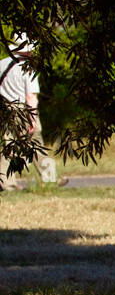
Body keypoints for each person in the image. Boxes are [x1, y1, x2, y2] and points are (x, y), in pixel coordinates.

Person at [0, 32, 62, 190]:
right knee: (36, 144)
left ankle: (5, 183)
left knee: (9, 144)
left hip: (6, 109)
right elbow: (30, 97)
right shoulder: (28, 68)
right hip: (22, 109)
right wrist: (32, 119)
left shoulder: (3, 64)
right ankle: (50, 179)